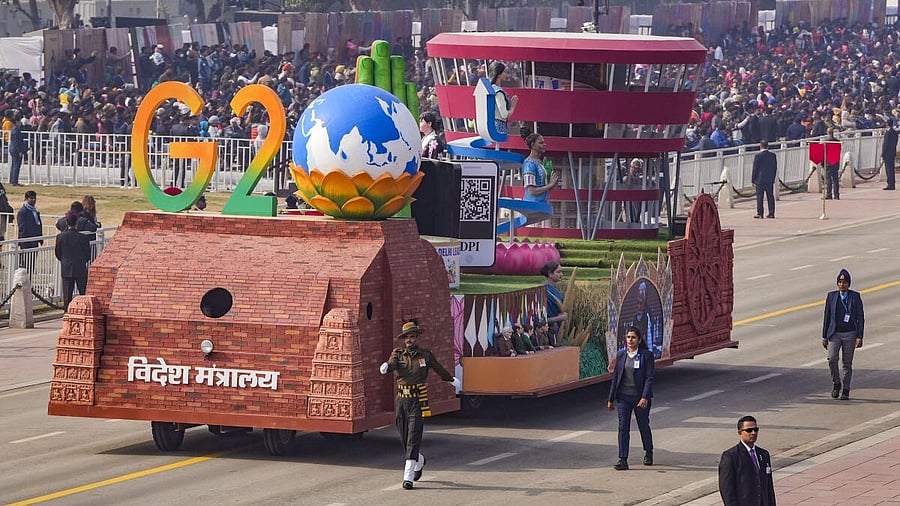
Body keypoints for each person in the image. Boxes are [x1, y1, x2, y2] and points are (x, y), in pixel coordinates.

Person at [379, 321, 460, 490]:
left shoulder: (425, 355)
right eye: (407, 337)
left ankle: (408, 477)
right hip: (402, 400)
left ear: (416, 337)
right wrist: (386, 366)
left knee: (413, 437)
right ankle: (419, 460)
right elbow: (392, 363)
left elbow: (438, 368)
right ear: (404, 339)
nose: (409, 339)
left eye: (412, 336)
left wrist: (451, 380)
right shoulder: (398, 353)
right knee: (404, 438)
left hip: (417, 400)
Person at [607, 326, 655, 471]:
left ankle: (648, 451)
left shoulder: (646, 355)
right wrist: (611, 399)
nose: (630, 340)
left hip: (639, 398)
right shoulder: (621, 355)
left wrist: (644, 397)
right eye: (628, 337)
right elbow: (616, 377)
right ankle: (623, 459)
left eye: (633, 337)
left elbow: (649, 378)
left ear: (639, 340)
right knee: (623, 427)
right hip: (623, 398)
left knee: (643, 425)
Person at [822, 269, 864, 400]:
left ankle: (846, 389)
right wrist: (824, 336)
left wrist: (860, 336)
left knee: (847, 363)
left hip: (850, 334)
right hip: (835, 333)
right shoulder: (832, 296)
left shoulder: (855, 296)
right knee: (832, 359)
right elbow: (827, 316)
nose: (842, 284)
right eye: (840, 282)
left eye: (844, 282)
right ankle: (836, 383)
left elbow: (860, 317)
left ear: (848, 284)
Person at [718, 415, 776, 506]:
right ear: (740, 432)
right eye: (749, 430)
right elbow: (727, 490)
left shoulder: (764, 454)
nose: (753, 433)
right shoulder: (731, 456)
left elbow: (769, 487)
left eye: (755, 429)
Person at [54, 212, 91, 311]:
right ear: (76, 223)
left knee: (67, 296)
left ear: (67, 223)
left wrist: (64, 261)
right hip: (80, 267)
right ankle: (84, 312)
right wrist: (81, 261)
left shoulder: (60, 237)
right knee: (83, 293)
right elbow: (87, 254)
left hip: (66, 268)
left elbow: (58, 253)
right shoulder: (83, 237)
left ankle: (67, 313)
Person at [521, 128, 559, 204]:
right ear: (533, 145)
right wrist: (550, 185)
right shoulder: (529, 164)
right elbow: (531, 191)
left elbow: (542, 186)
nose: (544, 144)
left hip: (542, 204)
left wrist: (553, 182)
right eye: (541, 143)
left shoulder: (540, 162)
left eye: (544, 142)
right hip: (532, 205)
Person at [488, 61, 518, 135]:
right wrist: (513, 105)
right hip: (499, 127)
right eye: (504, 72)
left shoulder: (489, 89)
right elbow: (504, 115)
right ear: (499, 74)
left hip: (490, 125)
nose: (506, 74)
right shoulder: (499, 92)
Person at [541, 260, 568, 343]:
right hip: (549, 331)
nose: (561, 274)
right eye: (558, 272)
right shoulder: (544, 291)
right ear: (550, 274)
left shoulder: (554, 290)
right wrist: (559, 318)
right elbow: (542, 319)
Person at [16, 190, 43, 269]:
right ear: (26, 199)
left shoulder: (34, 211)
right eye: (31, 198)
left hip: (34, 241)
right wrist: (23, 241)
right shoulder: (23, 211)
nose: (33, 200)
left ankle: (30, 276)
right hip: (26, 242)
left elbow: (38, 225)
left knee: (31, 264)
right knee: (25, 264)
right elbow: (22, 227)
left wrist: (40, 238)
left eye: (34, 198)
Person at [751, 140, 777, 219]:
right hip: (769, 179)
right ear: (767, 146)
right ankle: (771, 213)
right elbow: (774, 168)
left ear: (760, 146)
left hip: (760, 179)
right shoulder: (772, 155)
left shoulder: (758, 156)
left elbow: (755, 169)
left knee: (760, 197)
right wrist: (773, 177)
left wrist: (753, 179)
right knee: (770, 196)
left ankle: (760, 213)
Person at [7, 110, 27, 186]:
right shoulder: (16, 129)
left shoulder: (14, 129)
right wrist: (20, 151)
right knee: (16, 165)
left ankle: (12, 180)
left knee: (14, 165)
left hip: (13, 148)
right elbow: (17, 141)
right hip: (16, 149)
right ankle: (14, 181)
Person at [824, 128, 842, 200]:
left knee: (828, 179)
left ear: (827, 133)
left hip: (828, 162)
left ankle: (829, 194)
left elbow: (824, 152)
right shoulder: (837, 141)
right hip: (835, 161)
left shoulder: (826, 142)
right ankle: (836, 195)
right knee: (835, 179)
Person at [882, 118, 897, 190]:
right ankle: (892, 183)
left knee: (888, 169)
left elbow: (886, 144)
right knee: (891, 169)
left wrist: (883, 153)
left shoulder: (888, 133)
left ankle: (890, 184)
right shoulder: (895, 133)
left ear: (887, 124)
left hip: (888, 153)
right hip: (892, 152)